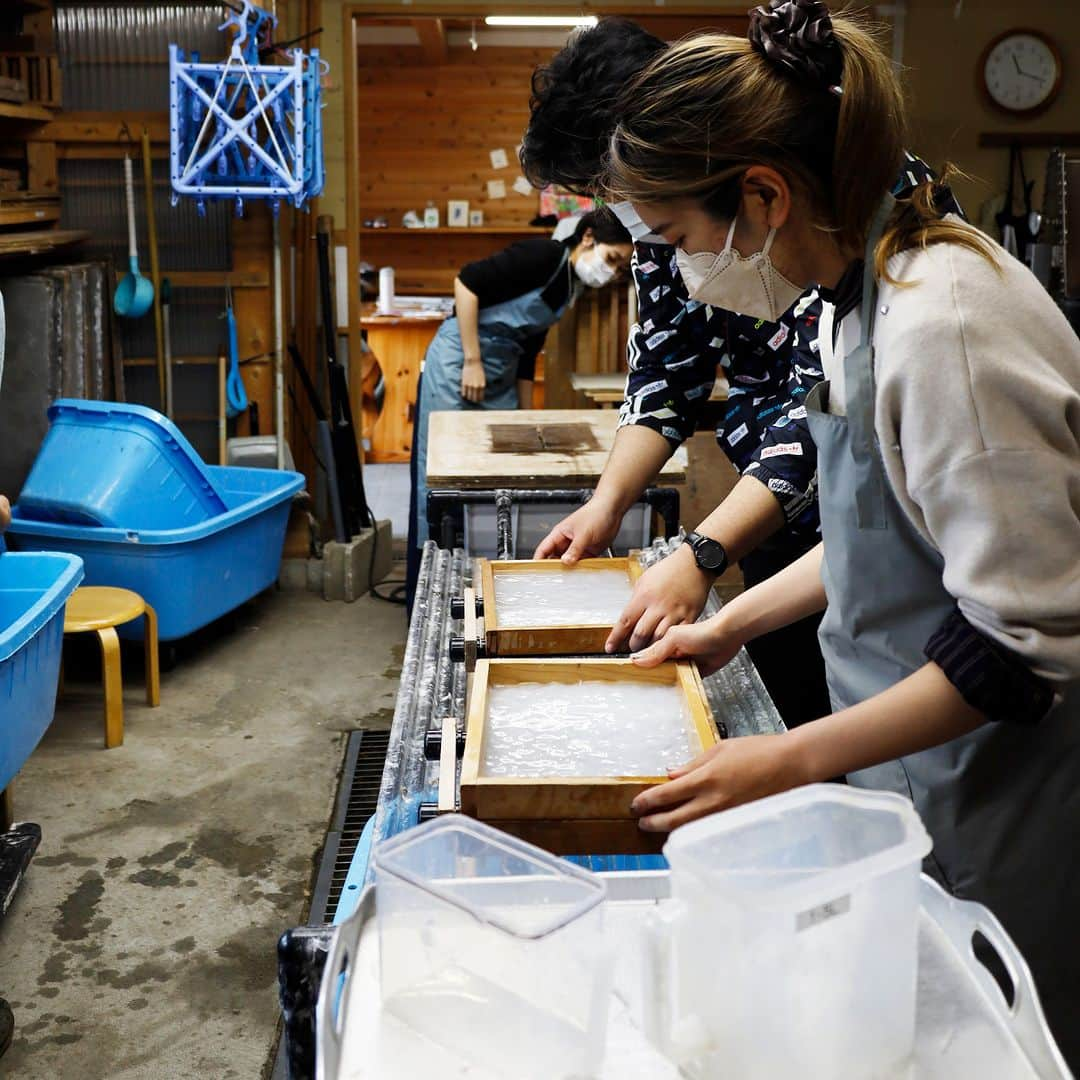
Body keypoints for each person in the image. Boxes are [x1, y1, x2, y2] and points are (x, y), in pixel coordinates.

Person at [602, 0, 1080, 1060]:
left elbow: (1018, 643)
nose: (685, 272)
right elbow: (890, 535)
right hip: (912, 777)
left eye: (681, 240)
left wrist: (789, 760)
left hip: (997, 797)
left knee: (996, 1036)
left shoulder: (948, 321)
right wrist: (733, 619)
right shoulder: (855, 297)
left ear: (763, 196)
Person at [520, 18, 961, 730]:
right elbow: (667, 364)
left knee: (881, 704)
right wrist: (607, 506)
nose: (628, 213)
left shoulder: (860, 209)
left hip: (886, 520)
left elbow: (830, 412)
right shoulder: (673, 208)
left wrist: (702, 553)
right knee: (798, 700)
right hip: (798, 532)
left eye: (620, 190)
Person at [406, 210, 633, 604]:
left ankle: (485, 588)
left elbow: (528, 349)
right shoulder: (543, 255)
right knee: (443, 475)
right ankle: (434, 595)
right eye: (612, 260)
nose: (611, 273)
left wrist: (527, 417)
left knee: (496, 477)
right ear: (588, 238)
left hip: (502, 371)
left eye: (620, 269)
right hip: (460, 362)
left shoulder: (568, 287)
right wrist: (473, 360)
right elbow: (466, 284)